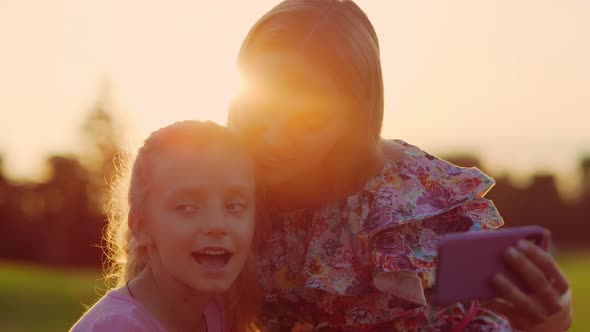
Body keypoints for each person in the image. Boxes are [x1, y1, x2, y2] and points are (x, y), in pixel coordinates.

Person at [228, 0, 573, 330]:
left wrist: (548, 321)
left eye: (309, 119)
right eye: (262, 107)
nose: (275, 136)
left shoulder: (409, 200)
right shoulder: (215, 187)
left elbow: (497, 309)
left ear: (352, 115)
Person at [71, 121, 260, 332]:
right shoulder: (117, 327)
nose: (217, 225)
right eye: (187, 207)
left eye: (235, 206)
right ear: (141, 226)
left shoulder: (215, 310)